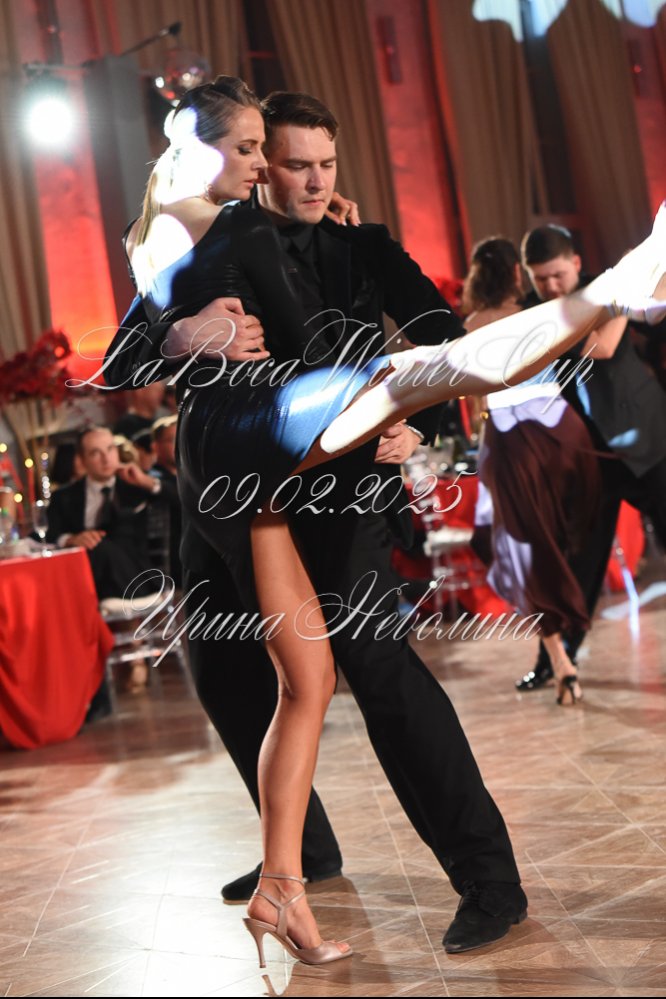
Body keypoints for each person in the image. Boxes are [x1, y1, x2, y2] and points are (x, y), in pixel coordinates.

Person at [103, 77, 666, 963]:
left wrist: (412, 422)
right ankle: (300, 853)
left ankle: (489, 879)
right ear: (260, 167)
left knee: (375, 667)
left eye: (326, 164)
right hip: (234, 480)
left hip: (345, 479)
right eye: (293, 164)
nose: (313, 180)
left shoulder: (361, 244)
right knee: (218, 666)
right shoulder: (210, 234)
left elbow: (441, 330)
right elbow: (129, 346)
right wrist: (180, 338)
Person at [516, 223, 666, 692]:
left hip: (649, 439)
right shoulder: (533, 313)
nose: (550, 285)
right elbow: (590, 349)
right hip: (588, 455)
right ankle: (556, 660)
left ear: (576, 263)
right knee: (578, 560)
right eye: (541, 278)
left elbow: (640, 320)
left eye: (558, 275)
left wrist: (642, 271)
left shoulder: (608, 284)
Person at [464, 238, 599, 704]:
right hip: (562, 430)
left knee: (523, 548)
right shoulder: (537, 312)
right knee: (558, 540)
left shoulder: (472, 326)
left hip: (510, 439)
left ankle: (559, 657)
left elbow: (475, 398)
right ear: (517, 274)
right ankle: (563, 650)